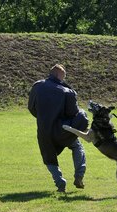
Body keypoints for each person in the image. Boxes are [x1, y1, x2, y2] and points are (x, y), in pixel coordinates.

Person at [28, 64, 88, 192]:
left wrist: (43, 119)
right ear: (59, 75)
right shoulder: (68, 92)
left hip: (44, 131)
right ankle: (79, 175)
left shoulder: (37, 86)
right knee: (77, 146)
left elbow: (32, 108)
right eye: (64, 76)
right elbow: (73, 113)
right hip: (64, 130)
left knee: (49, 157)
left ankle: (60, 182)